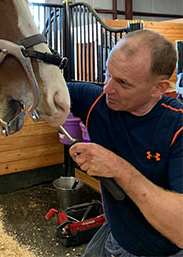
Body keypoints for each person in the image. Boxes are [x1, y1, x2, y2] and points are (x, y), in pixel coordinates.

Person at [67, 29, 183, 257]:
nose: (107, 88)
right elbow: (38, 90)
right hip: (116, 236)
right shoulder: (96, 102)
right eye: (108, 74)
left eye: (122, 83)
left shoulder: (177, 128)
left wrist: (118, 168)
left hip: (164, 251)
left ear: (158, 88)